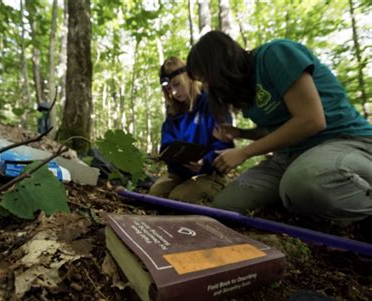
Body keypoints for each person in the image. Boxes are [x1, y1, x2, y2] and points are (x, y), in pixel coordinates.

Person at [186, 30, 372, 223]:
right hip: (289, 156)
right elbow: (276, 129)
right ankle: (299, 201)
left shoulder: (275, 54)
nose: (206, 87)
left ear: (218, 66)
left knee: (304, 184)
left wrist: (245, 152)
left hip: (343, 141)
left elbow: (311, 120)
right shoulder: (244, 90)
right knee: (227, 206)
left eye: (206, 79)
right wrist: (241, 133)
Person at [149, 56, 234, 204]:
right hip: (180, 174)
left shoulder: (212, 103)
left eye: (177, 84)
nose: (174, 93)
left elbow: (225, 145)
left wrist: (205, 161)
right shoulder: (173, 113)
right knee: (156, 196)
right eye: (169, 89)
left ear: (189, 77)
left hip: (210, 174)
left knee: (181, 199)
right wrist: (172, 156)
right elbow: (167, 144)